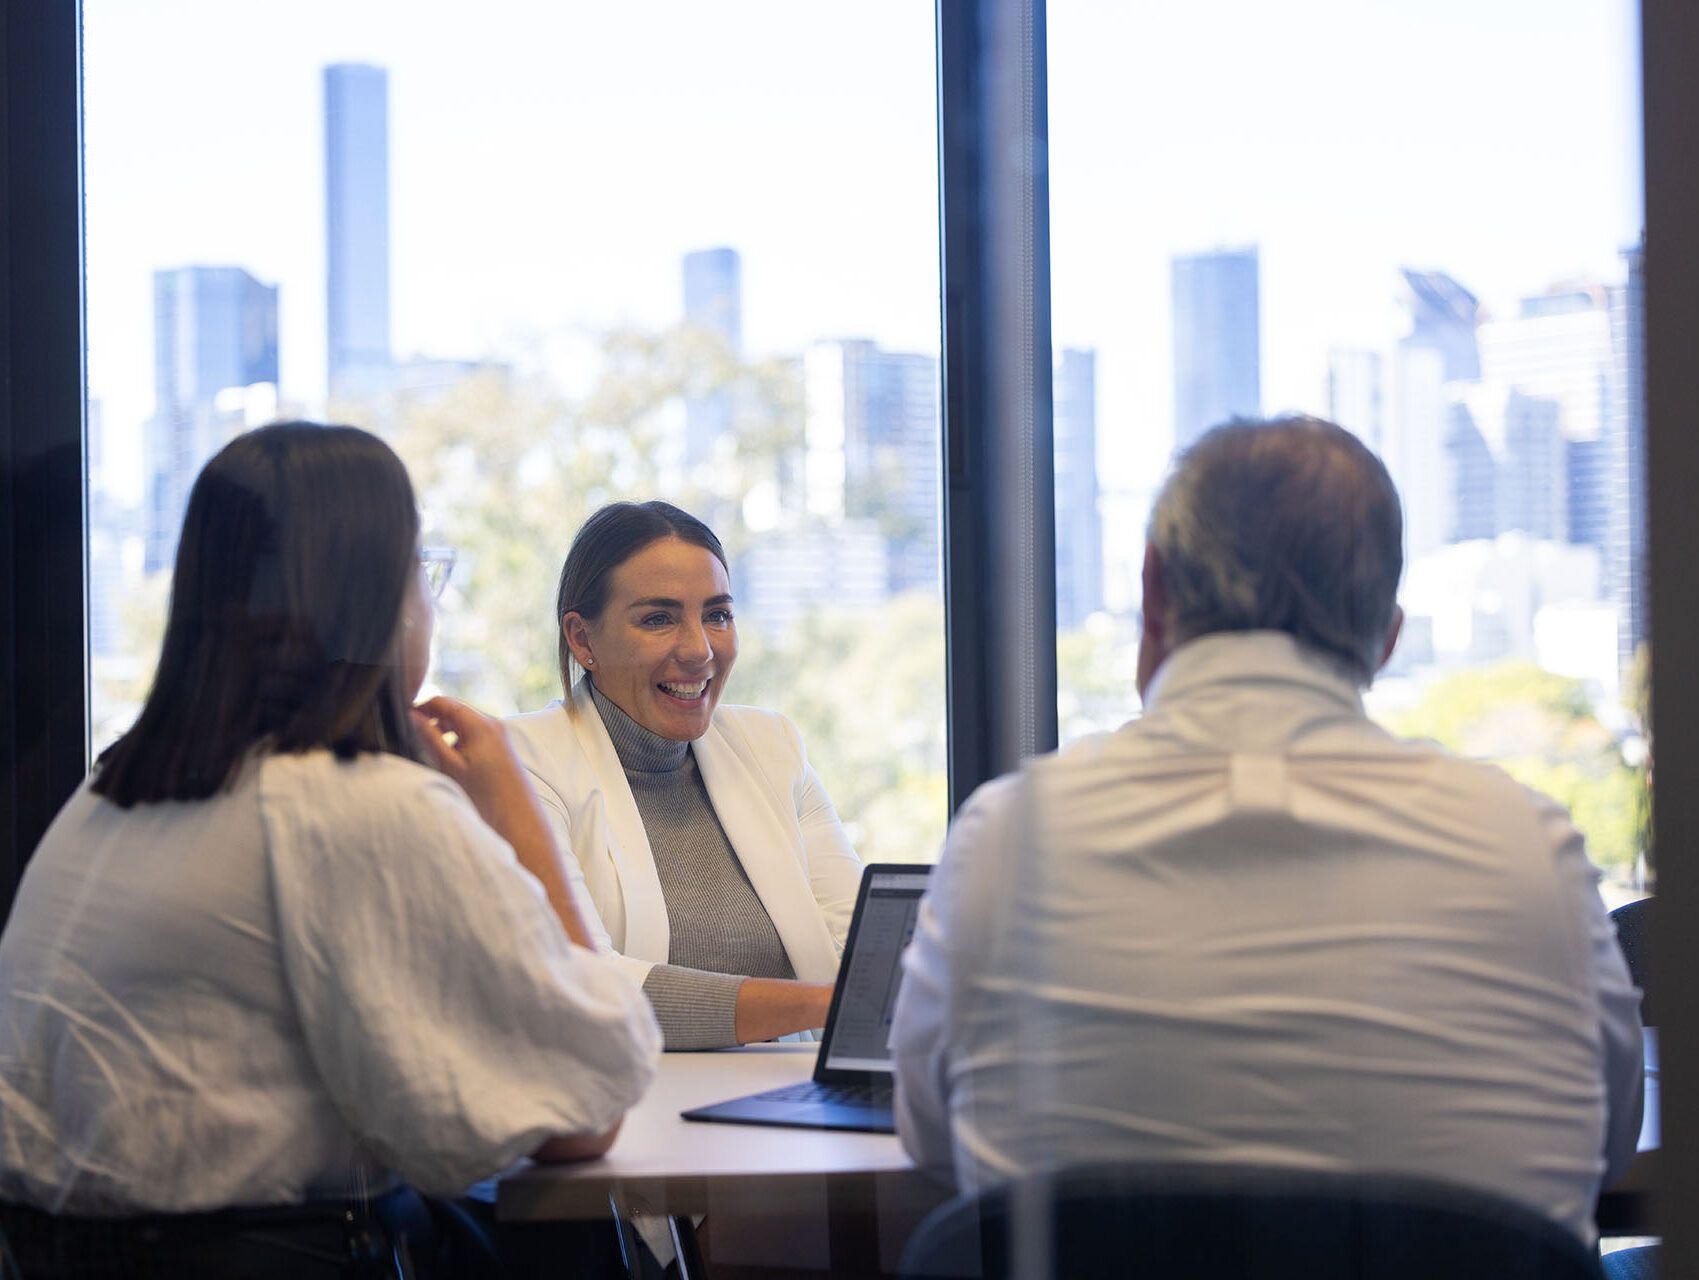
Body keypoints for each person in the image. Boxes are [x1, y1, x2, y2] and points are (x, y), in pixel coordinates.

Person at [890, 415, 1643, 1245]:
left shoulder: (1006, 838)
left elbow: (930, 1140)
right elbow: (1604, 1147)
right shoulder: (1525, 847)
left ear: (1153, 591)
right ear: (1385, 637)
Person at [0, 423, 661, 1277]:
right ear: (378, 600)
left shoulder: (115, 792)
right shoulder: (349, 804)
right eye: (421, 575)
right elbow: (589, 1103)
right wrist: (512, 810)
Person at [506, 501, 864, 1049]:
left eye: (718, 615)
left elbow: (860, 948)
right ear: (582, 640)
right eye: (658, 618)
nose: (700, 650)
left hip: (789, 1108)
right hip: (633, 1116)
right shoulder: (521, 761)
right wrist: (827, 1006)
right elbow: (585, 983)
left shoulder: (774, 746)